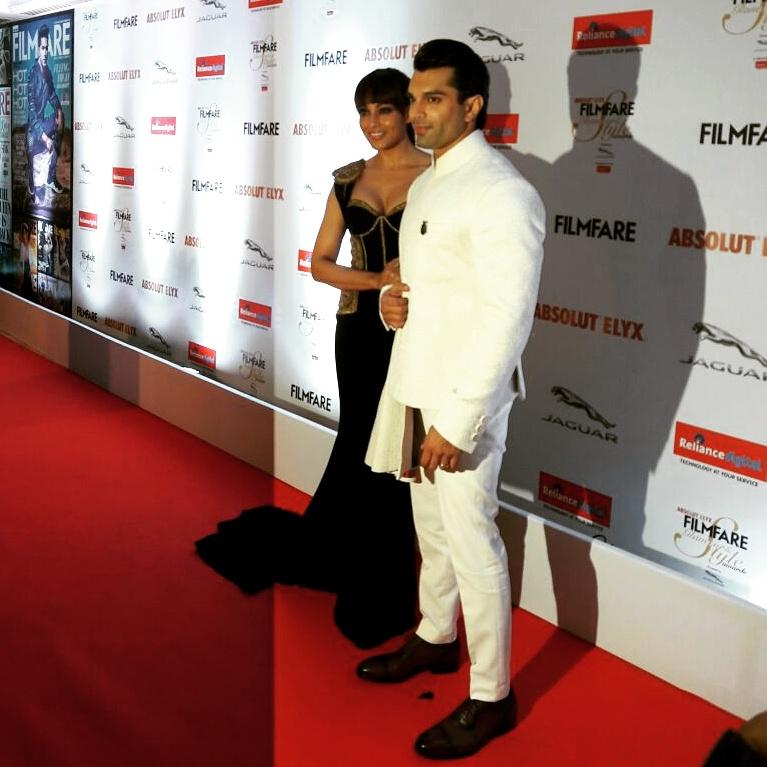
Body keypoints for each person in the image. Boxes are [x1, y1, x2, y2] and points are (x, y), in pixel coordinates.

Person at [195, 68, 430, 649]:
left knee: (397, 447)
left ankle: (388, 579)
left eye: (384, 110)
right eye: (364, 112)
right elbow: (320, 262)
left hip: (417, 329)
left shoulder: (438, 176)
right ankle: (349, 555)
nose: (372, 124)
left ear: (408, 112)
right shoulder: (348, 181)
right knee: (358, 439)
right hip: (359, 330)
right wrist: (376, 280)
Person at [358, 40, 545, 759]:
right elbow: (423, 286)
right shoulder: (433, 182)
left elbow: (507, 319)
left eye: (432, 99)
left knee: (472, 543)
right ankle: (436, 637)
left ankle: (492, 694)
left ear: (472, 106)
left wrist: (460, 421)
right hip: (415, 385)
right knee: (432, 533)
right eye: (413, 99)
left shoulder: (504, 193)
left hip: (463, 402)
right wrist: (391, 307)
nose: (416, 112)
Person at [27, 24, 65, 205]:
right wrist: (44, 137)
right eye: (42, 48)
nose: (45, 52)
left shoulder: (47, 71)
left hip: (43, 121)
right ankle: (33, 181)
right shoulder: (33, 74)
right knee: (39, 197)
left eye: (47, 48)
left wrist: (58, 109)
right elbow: (32, 113)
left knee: (61, 120)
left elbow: (52, 95)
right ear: (38, 49)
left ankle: (50, 177)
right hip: (34, 127)